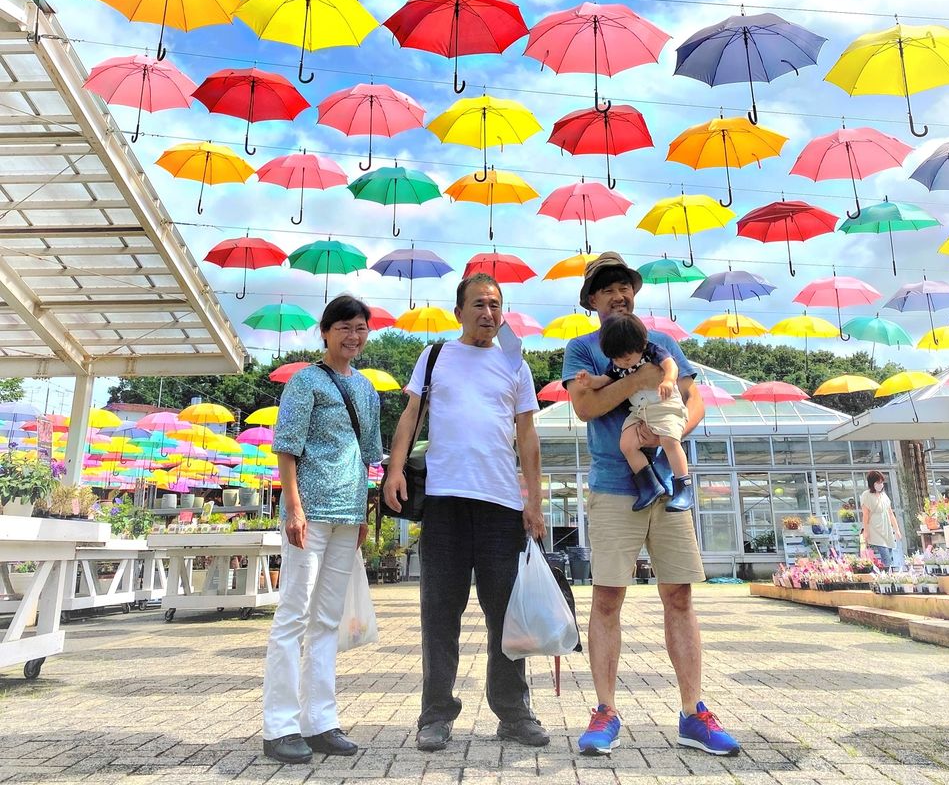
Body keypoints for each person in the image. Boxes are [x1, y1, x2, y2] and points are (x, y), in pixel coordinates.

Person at [562, 252, 740, 758]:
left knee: (679, 594)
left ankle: (693, 713)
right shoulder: (581, 348)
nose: (619, 295)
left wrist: (668, 434)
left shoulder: (661, 343)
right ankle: (605, 710)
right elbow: (585, 406)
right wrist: (637, 383)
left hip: (669, 484)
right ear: (592, 300)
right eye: (607, 288)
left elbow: (692, 398)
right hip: (612, 487)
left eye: (625, 286)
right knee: (607, 597)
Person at [382, 273, 548, 752]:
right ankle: (435, 715)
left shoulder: (515, 363)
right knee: (439, 613)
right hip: (445, 502)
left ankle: (513, 713)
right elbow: (411, 416)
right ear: (459, 312)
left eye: (495, 305)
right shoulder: (435, 356)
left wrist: (534, 501)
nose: (488, 313)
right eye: (478, 304)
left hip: (501, 505)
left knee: (506, 616)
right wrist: (395, 470)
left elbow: (527, 436)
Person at [262, 295, 382, 765]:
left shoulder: (368, 389)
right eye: (344, 328)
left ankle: (320, 721)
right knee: (293, 615)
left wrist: (364, 515)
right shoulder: (305, 381)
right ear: (326, 332)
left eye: (360, 328)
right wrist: (293, 507)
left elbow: (367, 456)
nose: (353, 336)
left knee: (328, 620)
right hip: (308, 514)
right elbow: (287, 447)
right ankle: (279, 727)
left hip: (348, 515)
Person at [574, 312, 694, 512]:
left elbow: (670, 364)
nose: (623, 362)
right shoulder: (618, 363)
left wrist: (668, 380)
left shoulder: (652, 350)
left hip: (665, 407)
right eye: (617, 358)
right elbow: (605, 380)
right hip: (639, 412)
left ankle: (683, 487)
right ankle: (649, 484)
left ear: (641, 344)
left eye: (627, 357)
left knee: (669, 441)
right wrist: (590, 381)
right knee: (627, 444)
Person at [860, 470, 902, 568]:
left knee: (889, 556)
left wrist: (897, 530)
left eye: (881, 482)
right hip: (875, 529)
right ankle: (888, 575)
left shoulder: (884, 496)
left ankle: (885, 574)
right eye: (878, 482)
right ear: (872, 483)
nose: (880, 485)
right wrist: (866, 531)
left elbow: (891, 514)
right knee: (886, 558)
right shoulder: (866, 495)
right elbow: (865, 515)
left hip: (886, 530)